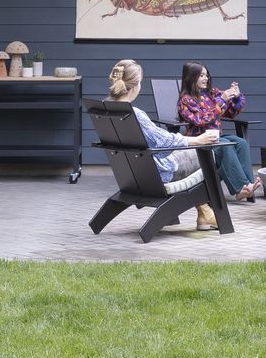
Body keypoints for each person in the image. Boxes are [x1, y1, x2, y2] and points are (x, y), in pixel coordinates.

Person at [108, 58, 222, 230]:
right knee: (207, 154)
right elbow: (163, 141)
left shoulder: (108, 109)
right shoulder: (135, 114)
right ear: (136, 85)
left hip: (134, 177)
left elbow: (159, 141)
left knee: (195, 153)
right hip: (158, 175)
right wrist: (198, 140)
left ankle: (203, 214)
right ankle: (208, 214)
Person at [177, 61, 258, 201]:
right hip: (199, 141)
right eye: (201, 75)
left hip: (216, 138)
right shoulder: (186, 100)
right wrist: (221, 101)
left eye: (206, 75)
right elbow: (200, 119)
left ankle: (249, 185)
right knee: (225, 145)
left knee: (240, 142)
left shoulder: (211, 94)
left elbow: (230, 113)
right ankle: (241, 189)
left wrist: (236, 96)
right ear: (191, 77)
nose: (205, 78)